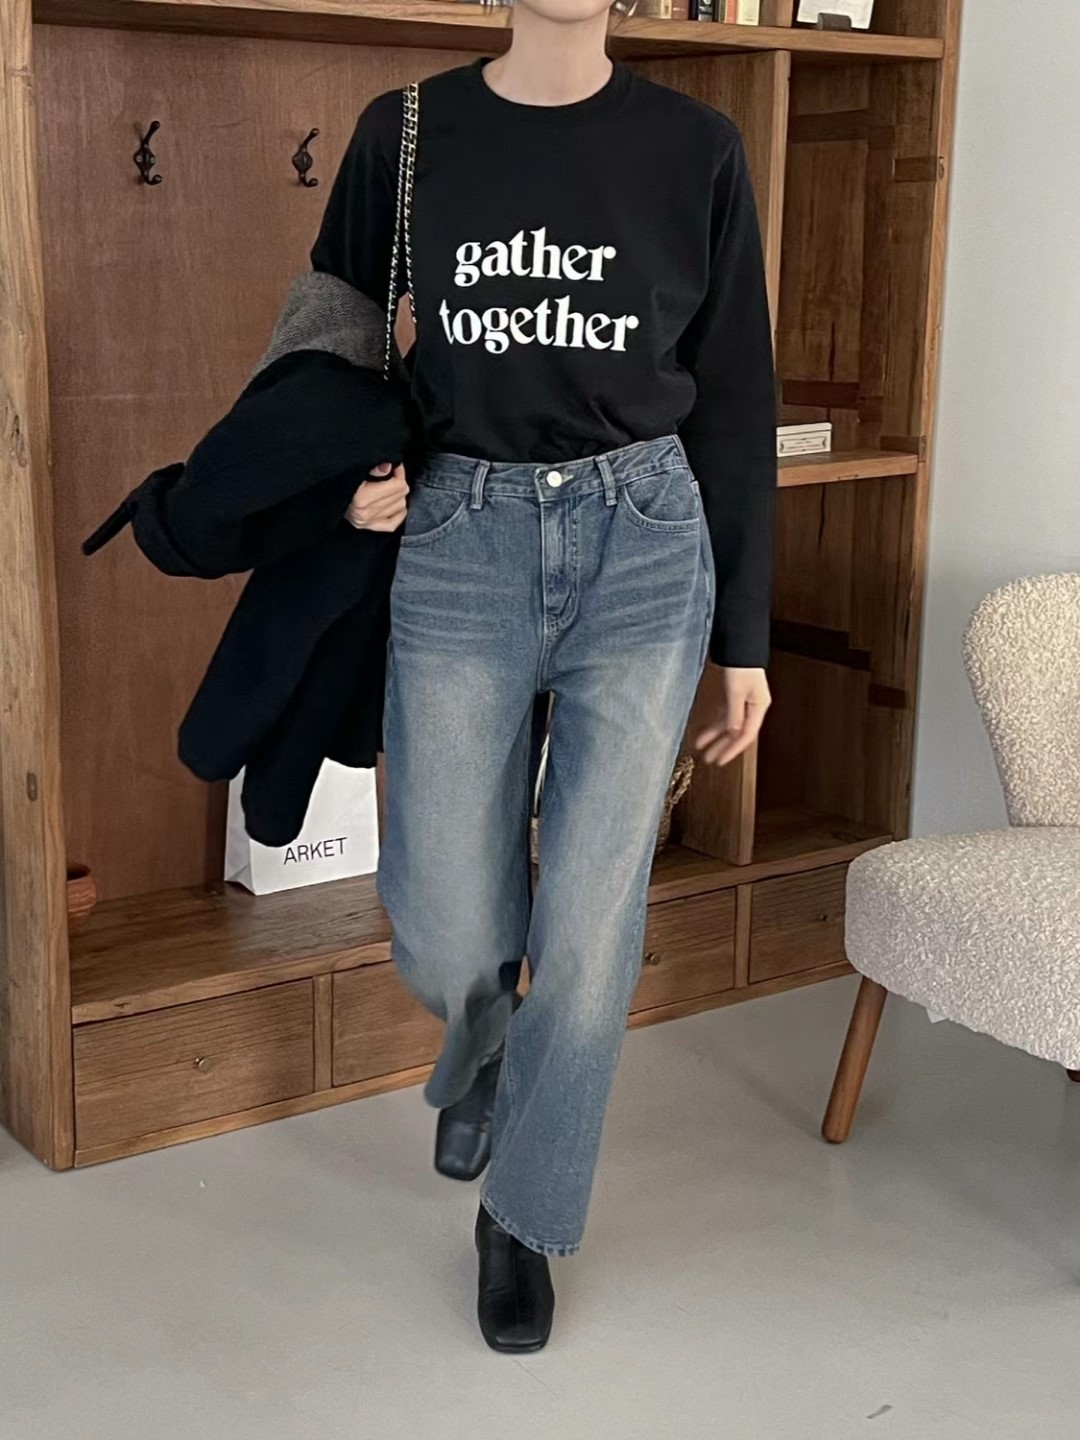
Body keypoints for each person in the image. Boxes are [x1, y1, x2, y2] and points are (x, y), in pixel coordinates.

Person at [311, 0, 776, 1353]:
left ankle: (523, 1215)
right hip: (464, 531)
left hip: (646, 538)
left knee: (589, 916)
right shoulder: (406, 135)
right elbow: (326, 342)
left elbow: (735, 394)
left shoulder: (697, 147)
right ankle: (486, 1039)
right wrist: (355, 476)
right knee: (448, 913)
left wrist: (746, 637)